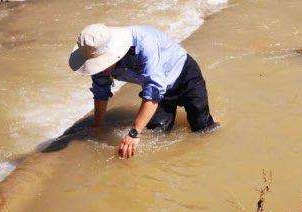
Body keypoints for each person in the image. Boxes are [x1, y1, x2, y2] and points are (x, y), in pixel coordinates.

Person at [68, 24, 218, 159]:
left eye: (103, 63)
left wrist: (134, 133)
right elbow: (101, 90)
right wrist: (98, 125)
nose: (100, 68)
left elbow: (153, 89)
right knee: (157, 131)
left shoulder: (144, 44)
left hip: (184, 74)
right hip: (162, 91)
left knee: (201, 128)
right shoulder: (95, 53)